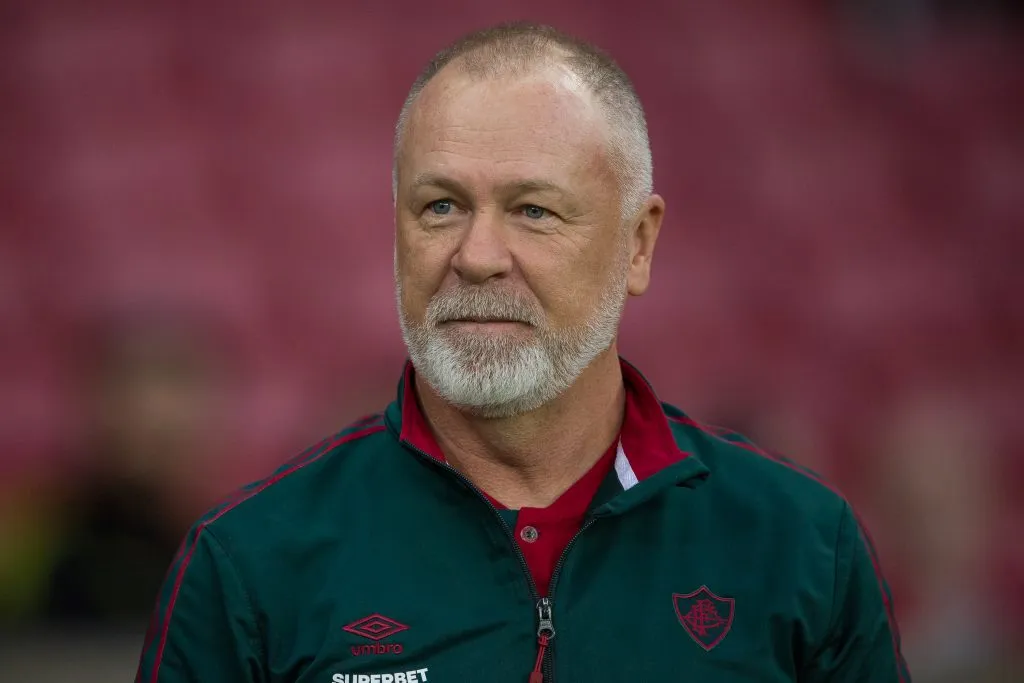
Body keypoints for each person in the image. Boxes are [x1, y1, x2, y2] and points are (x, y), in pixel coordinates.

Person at [135, 23, 910, 683]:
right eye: (440, 205)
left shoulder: (803, 546)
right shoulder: (246, 565)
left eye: (533, 210)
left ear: (637, 245)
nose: (477, 255)